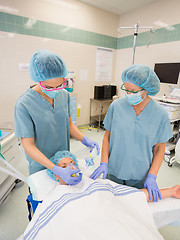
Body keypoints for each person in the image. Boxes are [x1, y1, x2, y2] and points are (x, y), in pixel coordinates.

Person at [14, 49, 99, 186]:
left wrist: (85, 139)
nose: (55, 90)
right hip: (41, 166)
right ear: (38, 80)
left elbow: (69, 124)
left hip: (64, 162)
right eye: (48, 87)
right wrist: (54, 169)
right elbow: (28, 145)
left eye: (59, 85)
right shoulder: (24, 104)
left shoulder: (64, 95)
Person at [90, 64, 173, 202]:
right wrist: (104, 162)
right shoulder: (116, 107)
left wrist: (152, 176)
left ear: (146, 90)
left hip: (140, 175)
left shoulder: (160, 114)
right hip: (113, 170)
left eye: (132, 91)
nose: (128, 94)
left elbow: (159, 148)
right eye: (125, 89)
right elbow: (107, 137)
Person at [47, 150, 180, 203]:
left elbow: (131, 194)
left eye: (72, 163)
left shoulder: (93, 182)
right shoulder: (55, 196)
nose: (70, 168)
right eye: (63, 167)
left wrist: (171, 191)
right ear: (55, 174)